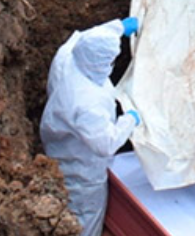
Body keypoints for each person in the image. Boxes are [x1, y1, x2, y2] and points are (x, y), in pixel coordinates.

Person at [40, 17, 142, 236]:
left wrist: (119, 27)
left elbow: (88, 39)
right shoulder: (87, 104)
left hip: (59, 143)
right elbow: (106, 144)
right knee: (85, 214)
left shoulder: (68, 57)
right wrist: (130, 120)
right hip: (81, 168)